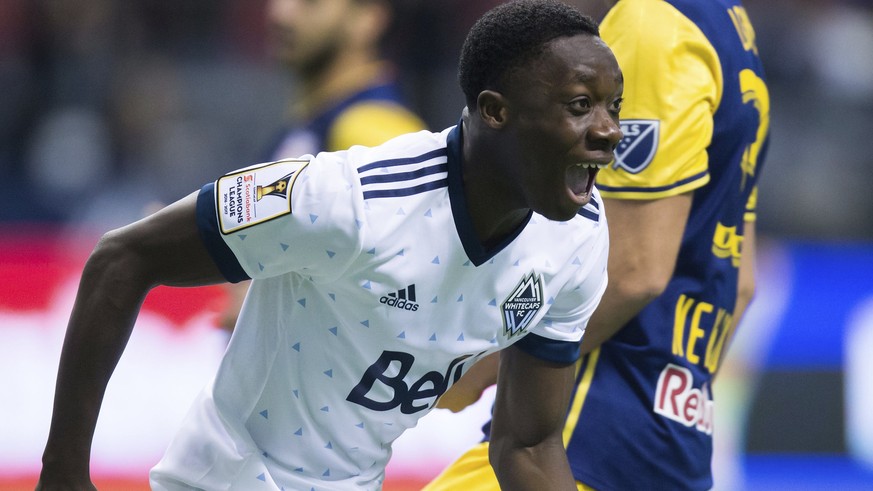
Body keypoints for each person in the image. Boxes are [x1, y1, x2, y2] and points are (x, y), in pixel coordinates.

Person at [36, 1, 624, 489]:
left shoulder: (577, 240)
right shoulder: (345, 196)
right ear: (495, 112)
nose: (609, 131)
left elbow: (527, 442)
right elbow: (122, 256)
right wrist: (62, 472)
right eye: (581, 107)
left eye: (613, 108)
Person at [426, 0, 770, 489]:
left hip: (577, 441)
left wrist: (474, 366)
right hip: (672, 447)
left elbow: (635, 270)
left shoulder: (651, 23)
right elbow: (743, 283)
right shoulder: (733, 31)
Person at [217, 0, 427, 331]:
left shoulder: (372, 129)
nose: (280, 13)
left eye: (310, 3)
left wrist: (271, 307)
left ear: (367, 19)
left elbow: (414, 295)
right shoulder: (306, 126)